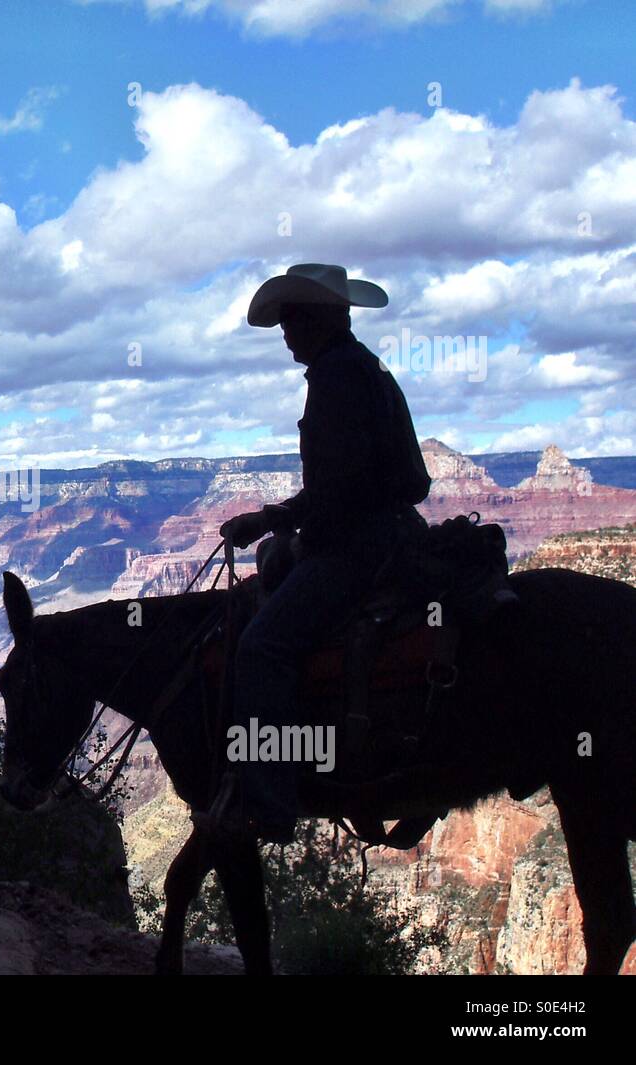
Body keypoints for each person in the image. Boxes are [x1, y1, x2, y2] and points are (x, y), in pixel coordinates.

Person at [212, 263, 431, 843]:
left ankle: (269, 803)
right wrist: (278, 524)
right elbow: (388, 478)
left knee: (262, 647)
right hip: (389, 533)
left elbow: (342, 489)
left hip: (359, 548)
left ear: (320, 319)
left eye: (291, 320)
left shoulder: (336, 376)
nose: (285, 333)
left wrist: (277, 522)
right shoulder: (368, 369)